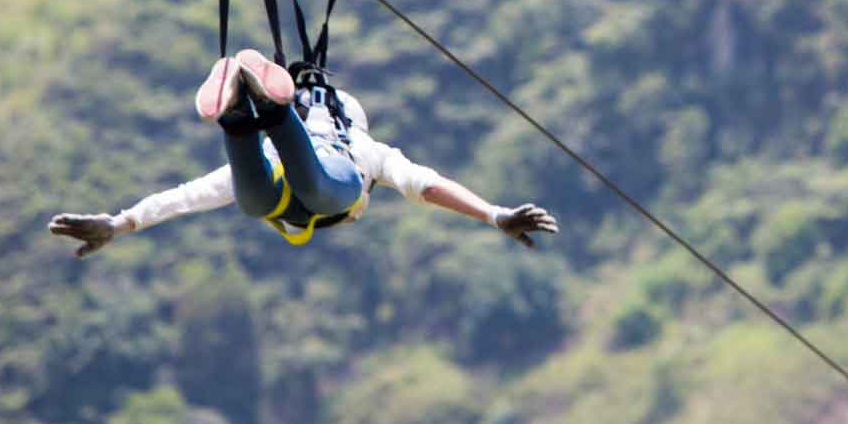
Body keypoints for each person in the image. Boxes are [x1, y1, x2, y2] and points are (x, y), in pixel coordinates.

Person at [49, 49, 557, 256]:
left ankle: (242, 111)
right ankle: (260, 108)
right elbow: (427, 186)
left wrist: (120, 223)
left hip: (276, 182)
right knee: (314, 190)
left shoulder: (291, 154)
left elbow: (186, 197)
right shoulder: (364, 148)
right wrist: (494, 215)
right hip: (327, 186)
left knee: (249, 192)